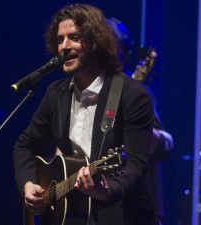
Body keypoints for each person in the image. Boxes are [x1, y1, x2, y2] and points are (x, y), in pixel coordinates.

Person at [13, 4, 158, 225]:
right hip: (71, 215)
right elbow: (25, 145)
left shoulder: (132, 95)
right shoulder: (57, 94)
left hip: (122, 216)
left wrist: (107, 190)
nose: (64, 46)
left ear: (96, 41)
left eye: (74, 37)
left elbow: (136, 165)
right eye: (60, 40)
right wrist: (28, 183)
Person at [106, 18, 174, 225]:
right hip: (104, 207)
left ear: (122, 53)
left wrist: (132, 121)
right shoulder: (93, 94)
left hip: (138, 211)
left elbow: (164, 143)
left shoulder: (140, 93)